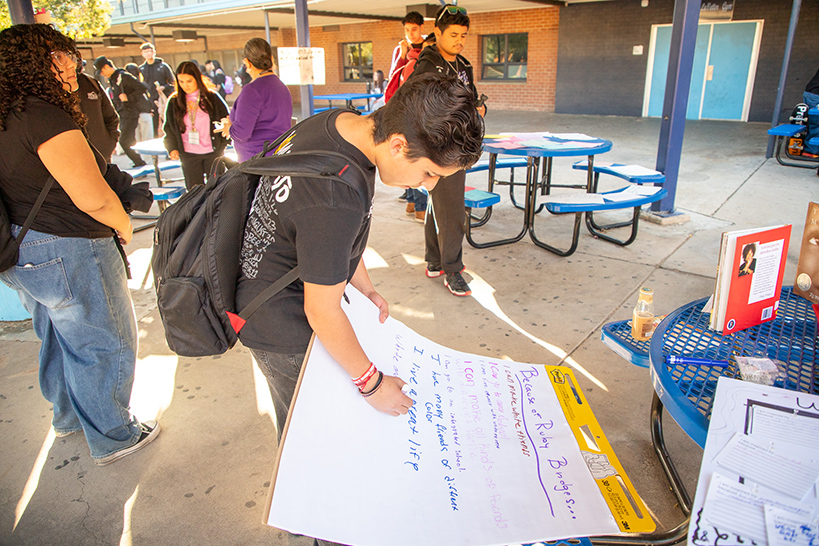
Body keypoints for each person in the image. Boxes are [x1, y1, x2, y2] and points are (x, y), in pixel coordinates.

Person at [235, 74, 483, 465]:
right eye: (429, 173)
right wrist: (373, 384)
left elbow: (331, 240)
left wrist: (364, 287)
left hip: (274, 286)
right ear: (399, 145)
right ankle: (307, 509)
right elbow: (321, 310)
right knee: (310, 433)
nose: (431, 186)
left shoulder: (340, 124)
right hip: (277, 323)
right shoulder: (335, 196)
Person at [0, 24, 159, 466]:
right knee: (102, 340)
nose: (73, 65)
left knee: (56, 335)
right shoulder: (44, 116)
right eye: (64, 57)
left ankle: (70, 416)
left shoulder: (7, 112)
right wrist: (123, 225)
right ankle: (114, 433)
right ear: (41, 61)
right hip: (69, 247)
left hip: (21, 248)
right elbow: (92, 196)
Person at [409, 4, 487, 297]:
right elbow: (421, 109)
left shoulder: (463, 65)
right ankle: (453, 270)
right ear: (438, 32)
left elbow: (473, 98)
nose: (459, 40)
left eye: (463, 35)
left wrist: (479, 108)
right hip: (439, 149)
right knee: (453, 210)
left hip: (459, 146)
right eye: (453, 34)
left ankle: (434, 261)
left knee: (438, 203)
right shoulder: (427, 66)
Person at [218, 38, 292, 162]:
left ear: (247, 62)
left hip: (256, 161)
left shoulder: (252, 90)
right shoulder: (282, 86)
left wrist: (229, 128)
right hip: (280, 155)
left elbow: (242, 133)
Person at [163, 62, 230, 189]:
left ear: (197, 79)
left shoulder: (212, 97)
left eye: (189, 81)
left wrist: (222, 144)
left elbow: (227, 120)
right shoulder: (174, 101)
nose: (185, 85)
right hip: (189, 155)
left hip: (213, 153)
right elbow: (169, 129)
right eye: (181, 81)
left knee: (218, 191)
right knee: (194, 193)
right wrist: (172, 148)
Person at [396, 34, 437, 223]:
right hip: (417, 122)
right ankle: (420, 207)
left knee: (412, 161)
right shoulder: (419, 65)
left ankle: (413, 203)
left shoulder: (409, 60)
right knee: (420, 166)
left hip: (408, 120)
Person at [94, 56, 148, 168]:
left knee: (124, 140)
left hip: (130, 113)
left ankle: (139, 162)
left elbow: (142, 87)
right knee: (128, 140)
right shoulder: (113, 79)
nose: (102, 74)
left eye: (102, 71)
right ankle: (138, 162)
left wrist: (128, 97)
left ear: (107, 66)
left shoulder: (123, 76)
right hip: (123, 113)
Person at [76, 70, 120, 162]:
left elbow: (111, 118)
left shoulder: (90, 83)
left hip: (102, 156)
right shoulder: (48, 89)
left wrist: (109, 145)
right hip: (73, 162)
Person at [385, 11, 425, 103]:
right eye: (407, 30)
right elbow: (392, 77)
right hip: (404, 99)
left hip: (423, 97)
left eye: (414, 29)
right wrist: (402, 56)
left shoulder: (429, 47)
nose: (410, 34)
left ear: (421, 27)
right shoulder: (400, 49)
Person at [138, 42, 175, 135]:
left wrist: (164, 87)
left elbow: (173, 82)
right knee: (153, 122)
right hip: (151, 99)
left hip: (164, 97)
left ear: (154, 52)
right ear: (142, 54)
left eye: (149, 51)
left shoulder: (163, 66)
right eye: (145, 52)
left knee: (167, 120)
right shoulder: (141, 69)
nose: (148, 54)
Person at [803, 66, 819, 157]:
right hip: (815, 95)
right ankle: (811, 151)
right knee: (816, 124)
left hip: (812, 94)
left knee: (814, 123)